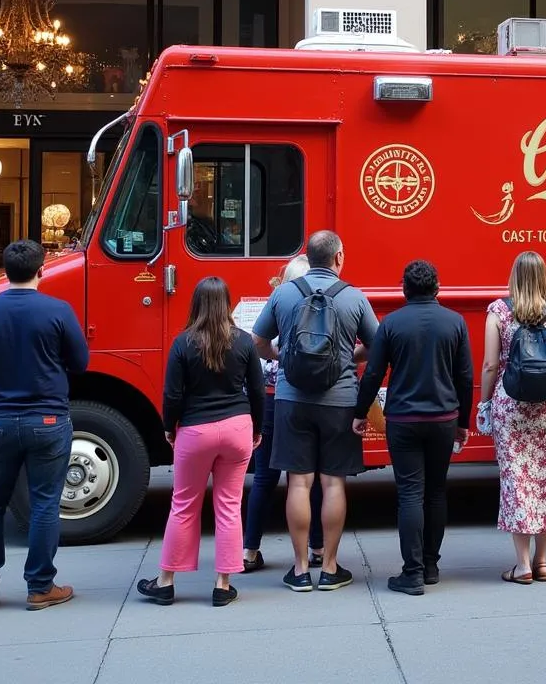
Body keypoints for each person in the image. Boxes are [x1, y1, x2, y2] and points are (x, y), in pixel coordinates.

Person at [251, 229, 378, 592]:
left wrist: (282, 359)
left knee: (299, 482)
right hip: (339, 401)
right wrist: (348, 359)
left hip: (291, 399)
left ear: (308, 257)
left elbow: (259, 341)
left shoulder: (284, 293)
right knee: (332, 482)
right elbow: (376, 344)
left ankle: (301, 569)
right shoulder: (354, 297)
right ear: (338, 258)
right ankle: (331, 568)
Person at [138, 277, 265, 606]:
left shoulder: (183, 343)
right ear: (226, 303)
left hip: (195, 431)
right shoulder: (245, 342)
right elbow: (257, 390)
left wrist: (169, 427)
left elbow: (172, 394)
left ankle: (166, 581)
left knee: (183, 506)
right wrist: (257, 428)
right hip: (237, 428)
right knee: (229, 506)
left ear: (196, 304)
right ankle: (223, 585)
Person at [353, 260, 473, 595]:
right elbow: (465, 377)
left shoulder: (391, 324)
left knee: (410, 494)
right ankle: (432, 566)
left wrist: (360, 412)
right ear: (437, 288)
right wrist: (463, 422)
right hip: (443, 419)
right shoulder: (455, 322)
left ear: (404, 289)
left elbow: (374, 373)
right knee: (436, 492)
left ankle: (412, 572)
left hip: (404, 420)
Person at [0, 239, 88, 611]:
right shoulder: (58, 310)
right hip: (47, 418)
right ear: (41, 271)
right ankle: (40, 586)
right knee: (45, 503)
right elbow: (80, 362)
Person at [479, 251, 546, 583]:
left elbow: (490, 365)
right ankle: (543, 562)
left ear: (514, 276)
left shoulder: (499, 312)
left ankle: (523, 565)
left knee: (516, 480)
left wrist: (484, 403)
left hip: (510, 404)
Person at [242, 255, 325, 574]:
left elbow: (256, 344)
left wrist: (279, 357)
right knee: (309, 478)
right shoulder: (319, 308)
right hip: (307, 399)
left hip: (272, 400)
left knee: (263, 477)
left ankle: (250, 550)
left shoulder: (277, 303)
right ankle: (316, 548)